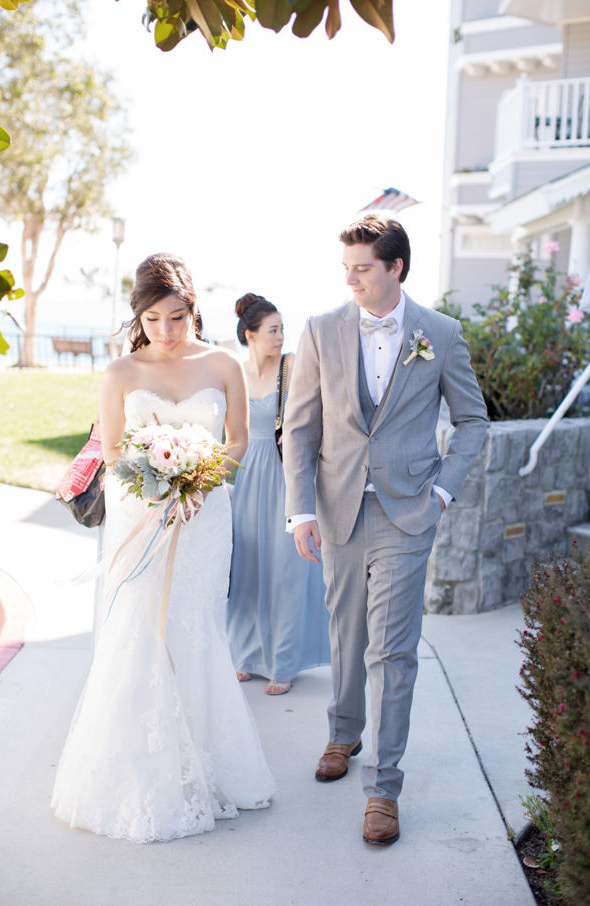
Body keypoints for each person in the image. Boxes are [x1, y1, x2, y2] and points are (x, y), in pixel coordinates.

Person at [52, 254, 275, 843]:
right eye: (153, 320)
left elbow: (240, 442)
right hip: (139, 517)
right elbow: (112, 451)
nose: (166, 333)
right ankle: (139, 772)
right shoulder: (122, 372)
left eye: (176, 318)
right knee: (142, 629)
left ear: (193, 310)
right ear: (139, 318)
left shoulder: (224, 362)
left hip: (205, 517)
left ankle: (207, 764)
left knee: (197, 628)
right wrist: (159, 485)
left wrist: (196, 477)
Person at [283, 216, 488, 845]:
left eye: (363, 268)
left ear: (396, 267)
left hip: (408, 511)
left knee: (392, 651)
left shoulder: (442, 334)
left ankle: (383, 787)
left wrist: (444, 491)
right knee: (347, 632)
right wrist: (301, 510)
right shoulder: (321, 330)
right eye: (346, 267)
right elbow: (301, 426)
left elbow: (474, 422)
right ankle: (344, 731)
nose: (351, 278)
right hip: (339, 507)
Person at [226, 294, 330, 695]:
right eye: (273, 330)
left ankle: (284, 663)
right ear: (250, 335)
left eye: (283, 329)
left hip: (287, 476)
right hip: (247, 475)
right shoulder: (234, 371)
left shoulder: (292, 366)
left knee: (287, 571)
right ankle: (247, 655)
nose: (281, 337)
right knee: (249, 568)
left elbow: (318, 410)